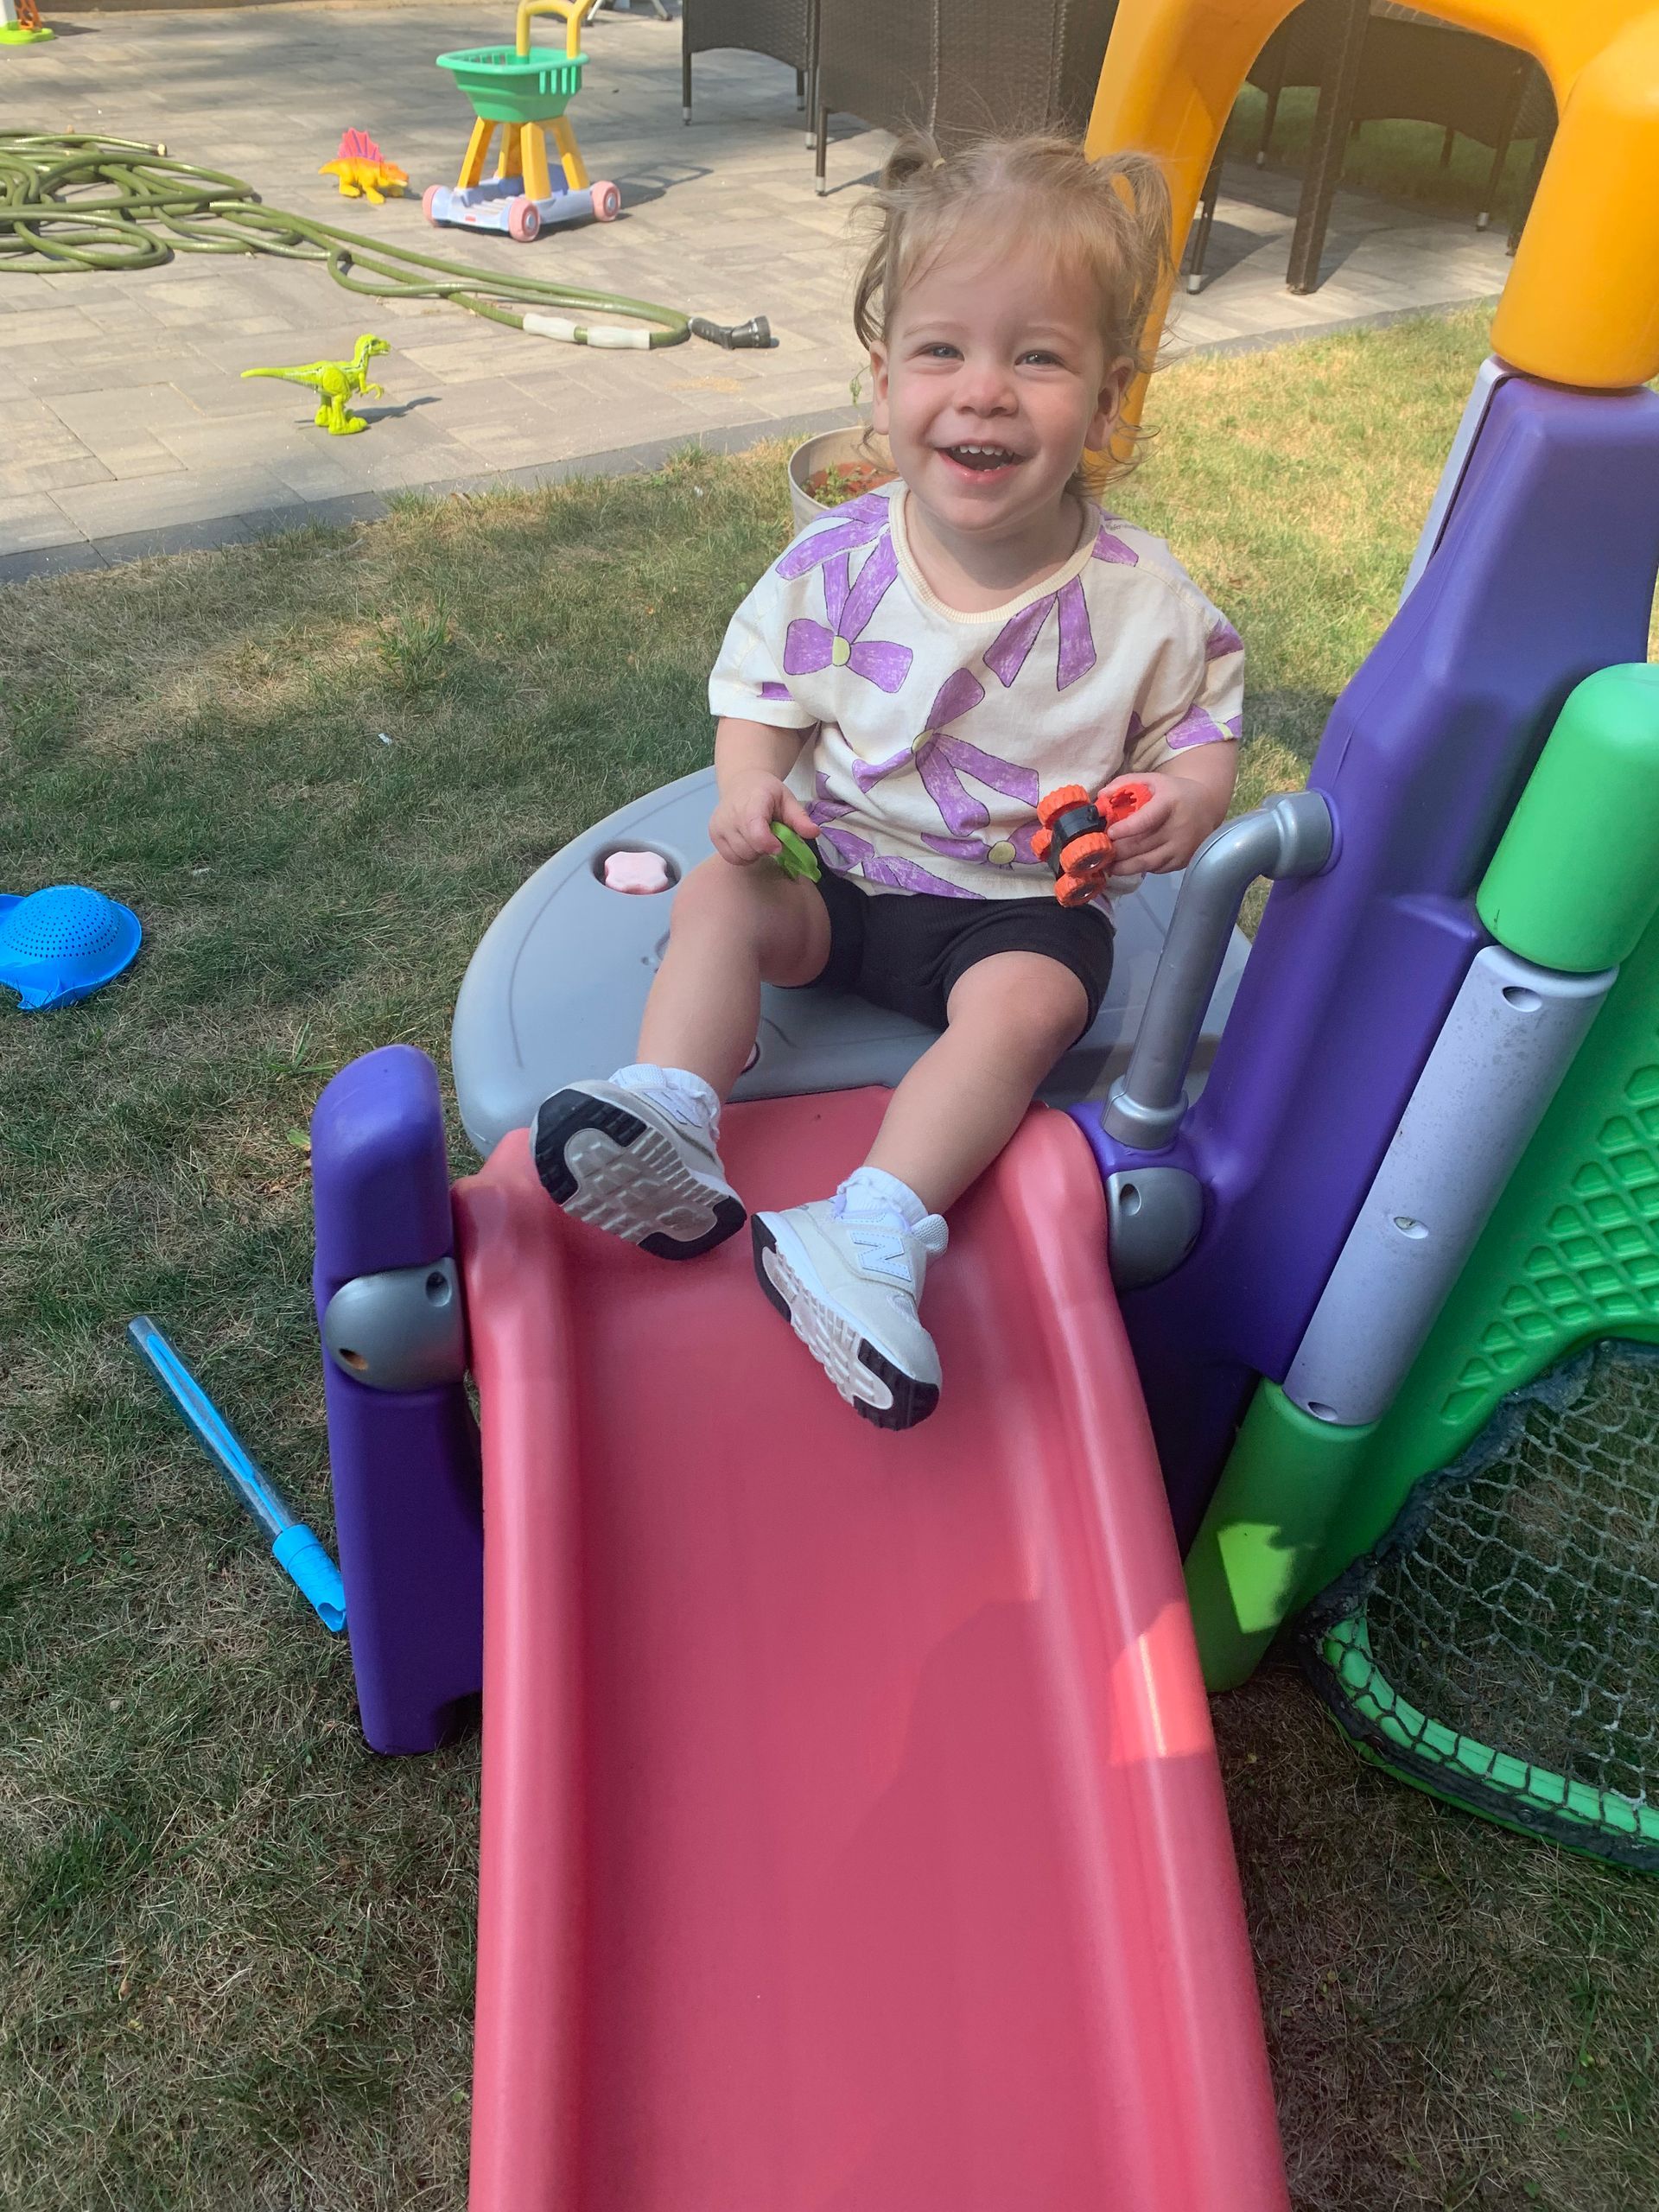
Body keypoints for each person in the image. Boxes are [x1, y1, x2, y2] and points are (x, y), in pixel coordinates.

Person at [532, 130, 1243, 1430]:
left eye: (1038, 356)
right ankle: (670, 1112)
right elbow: (758, 697)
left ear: (1109, 394)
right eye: (942, 351)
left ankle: (870, 1228)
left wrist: (1185, 802)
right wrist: (749, 792)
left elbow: (1199, 734)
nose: (984, 392)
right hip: (838, 877)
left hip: (1011, 908)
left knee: (1033, 1011)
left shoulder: (1144, 602)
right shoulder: (836, 562)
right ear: (881, 381)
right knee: (718, 896)